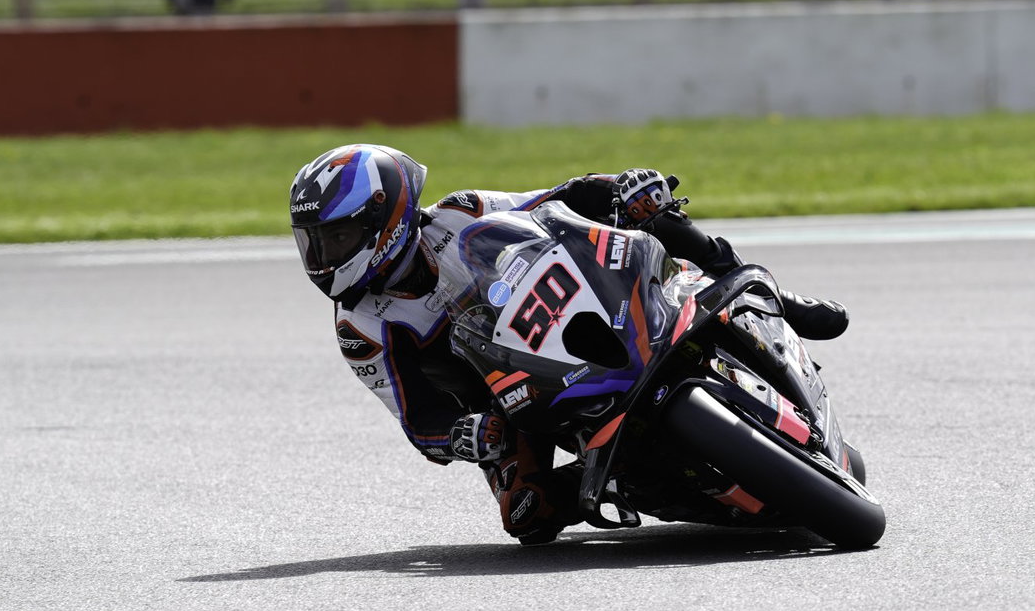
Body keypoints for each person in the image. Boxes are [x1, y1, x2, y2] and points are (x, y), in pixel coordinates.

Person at [289, 144, 849, 545]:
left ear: (385, 220)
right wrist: (462, 436)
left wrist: (622, 189)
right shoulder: (359, 328)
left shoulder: (461, 213)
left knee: (653, 215)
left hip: (571, 312)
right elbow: (418, 419)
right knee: (526, 517)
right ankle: (627, 480)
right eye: (313, 242)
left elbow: (560, 198)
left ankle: (767, 291)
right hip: (504, 399)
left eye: (336, 238)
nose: (323, 258)